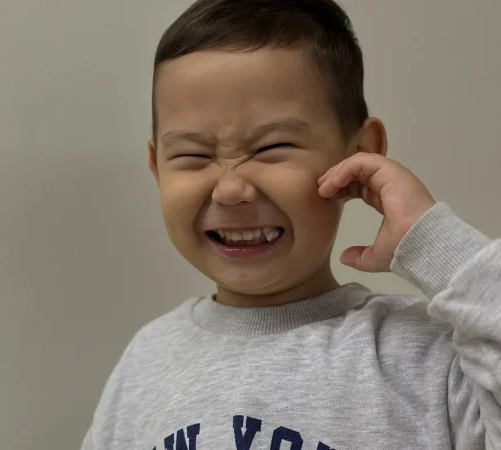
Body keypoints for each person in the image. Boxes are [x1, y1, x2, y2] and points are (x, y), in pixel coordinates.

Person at [81, 0, 501, 448]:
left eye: (271, 148)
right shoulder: (147, 358)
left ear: (359, 155)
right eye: (193, 155)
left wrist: (435, 243)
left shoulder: (424, 354)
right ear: (157, 168)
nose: (230, 189)